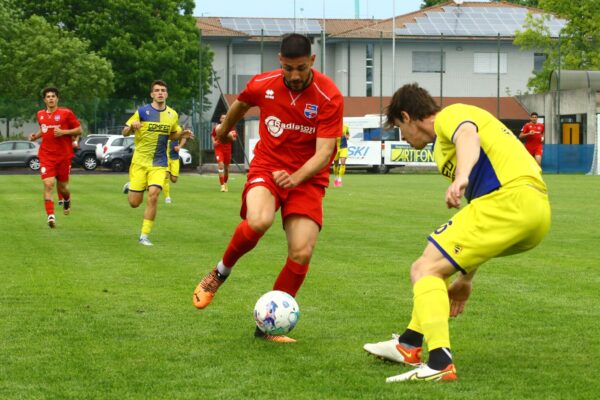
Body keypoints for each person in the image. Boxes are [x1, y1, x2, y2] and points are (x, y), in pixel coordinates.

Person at [363, 83, 551, 382]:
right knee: (437, 265)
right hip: (532, 214)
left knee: (423, 268)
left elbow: (468, 135)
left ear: (407, 116)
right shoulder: (440, 149)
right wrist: (466, 277)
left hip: (511, 199)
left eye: (400, 127)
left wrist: (461, 177)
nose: (403, 135)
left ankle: (439, 362)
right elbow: (480, 224)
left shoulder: (450, 115)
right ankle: (409, 343)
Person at [192, 33, 343, 343]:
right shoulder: (264, 83)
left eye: (301, 68)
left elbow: (324, 153)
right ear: (280, 62)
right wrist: (223, 129)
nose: (295, 75)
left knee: (301, 252)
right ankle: (219, 273)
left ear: (312, 61)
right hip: (267, 167)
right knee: (259, 220)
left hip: (308, 178)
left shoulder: (329, 96)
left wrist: (298, 177)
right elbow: (241, 104)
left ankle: (267, 328)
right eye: (289, 68)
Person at [122, 80, 193, 246]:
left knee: (153, 196)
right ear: (152, 94)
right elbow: (124, 132)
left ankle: (144, 236)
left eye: (163, 90)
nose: (160, 93)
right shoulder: (142, 112)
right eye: (157, 90)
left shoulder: (172, 115)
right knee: (134, 203)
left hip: (160, 162)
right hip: (140, 162)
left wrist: (183, 134)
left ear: (166, 94)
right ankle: (131, 185)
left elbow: (172, 135)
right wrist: (132, 127)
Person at [28, 87, 82, 228]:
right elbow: (44, 128)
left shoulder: (66, 113)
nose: (51, 98)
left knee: (63, 188)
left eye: (53, 96)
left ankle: (67, 199)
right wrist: (35, 136)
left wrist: (64, 132)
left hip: (64, 156)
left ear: (57, 98)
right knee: (48, 184)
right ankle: (50, 216)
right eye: (48, 96)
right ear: (44, 100)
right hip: (46, 155)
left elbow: (79, 130)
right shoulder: (40, 114)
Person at [211, 114, 237, 192]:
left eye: (225, 118)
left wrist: (230, 136)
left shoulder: (231, 127)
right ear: (220, 119)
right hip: (219, 149)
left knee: (226, 168)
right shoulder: (217, 127)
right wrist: (214, 142)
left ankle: (225, 183)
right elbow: (212, 135)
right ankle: (222, 186)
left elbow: (234, 138)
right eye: (222, 118)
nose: (224, 119)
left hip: (227, 149)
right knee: (221, 165)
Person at [163, 136, 188, 204]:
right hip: (165, 157)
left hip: (175, 158)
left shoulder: (177, 130)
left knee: (174, 179)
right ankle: (167, 197)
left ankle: (159, 178)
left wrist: (179, 146)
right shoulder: (165, 130)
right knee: (166, 176)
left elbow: (184, 138)